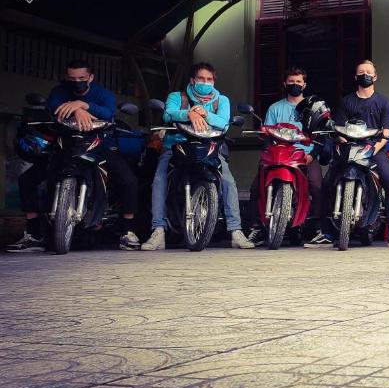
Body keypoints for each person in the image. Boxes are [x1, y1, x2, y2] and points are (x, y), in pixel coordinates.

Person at [7, 60, 140, 252]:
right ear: (66, 78)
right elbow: (53, 106)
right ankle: (34, 234)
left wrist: (82, 104)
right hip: (65, 145)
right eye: (72, 78)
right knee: (27, 180)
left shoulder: (103, 94)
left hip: (98, 144)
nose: (76, 82)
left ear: (90, 77)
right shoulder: (60, 91)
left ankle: (127, 232)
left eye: (81, 78)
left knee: (129, 181)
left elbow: (109, 112)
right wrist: (77, 109)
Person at [140, 62, 254, 250]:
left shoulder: (221, 100)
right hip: (177, 145)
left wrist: (204, 113)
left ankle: (236, 231)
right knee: (159, 179)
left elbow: (223, 123)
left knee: (228, 182)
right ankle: (158, 230)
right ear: (193, 80)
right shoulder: (178, 97)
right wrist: (189, 113)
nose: (205, 82)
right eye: (201, 79)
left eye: (209, 79)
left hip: (210, 148)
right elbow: (169, 114)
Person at [246, 67, 329, 248]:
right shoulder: (275, 108)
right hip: (278, 154)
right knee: (255, 187)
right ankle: (257, 226)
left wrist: (312, 155)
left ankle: (317, 229)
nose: (295, 85)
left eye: (298, 82)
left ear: (304, 84)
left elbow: (321, 135)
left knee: (316, 185)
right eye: (291, 82)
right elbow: (267, 134)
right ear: (285, 83)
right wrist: (267, 154)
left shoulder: (312, 108)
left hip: (304, 154)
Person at [332, 60, 389, 244]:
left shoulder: (383, 102)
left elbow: (387, 131)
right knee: (330, 180)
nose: (365, 75)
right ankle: (327, 232)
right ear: (355, 76)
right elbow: (339, 129)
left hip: (374, 147)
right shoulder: (347, 101)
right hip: (350, 147)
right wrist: (344, 142)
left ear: (375, 76)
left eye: (368, 72)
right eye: (361, 72)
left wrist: (376, 147)